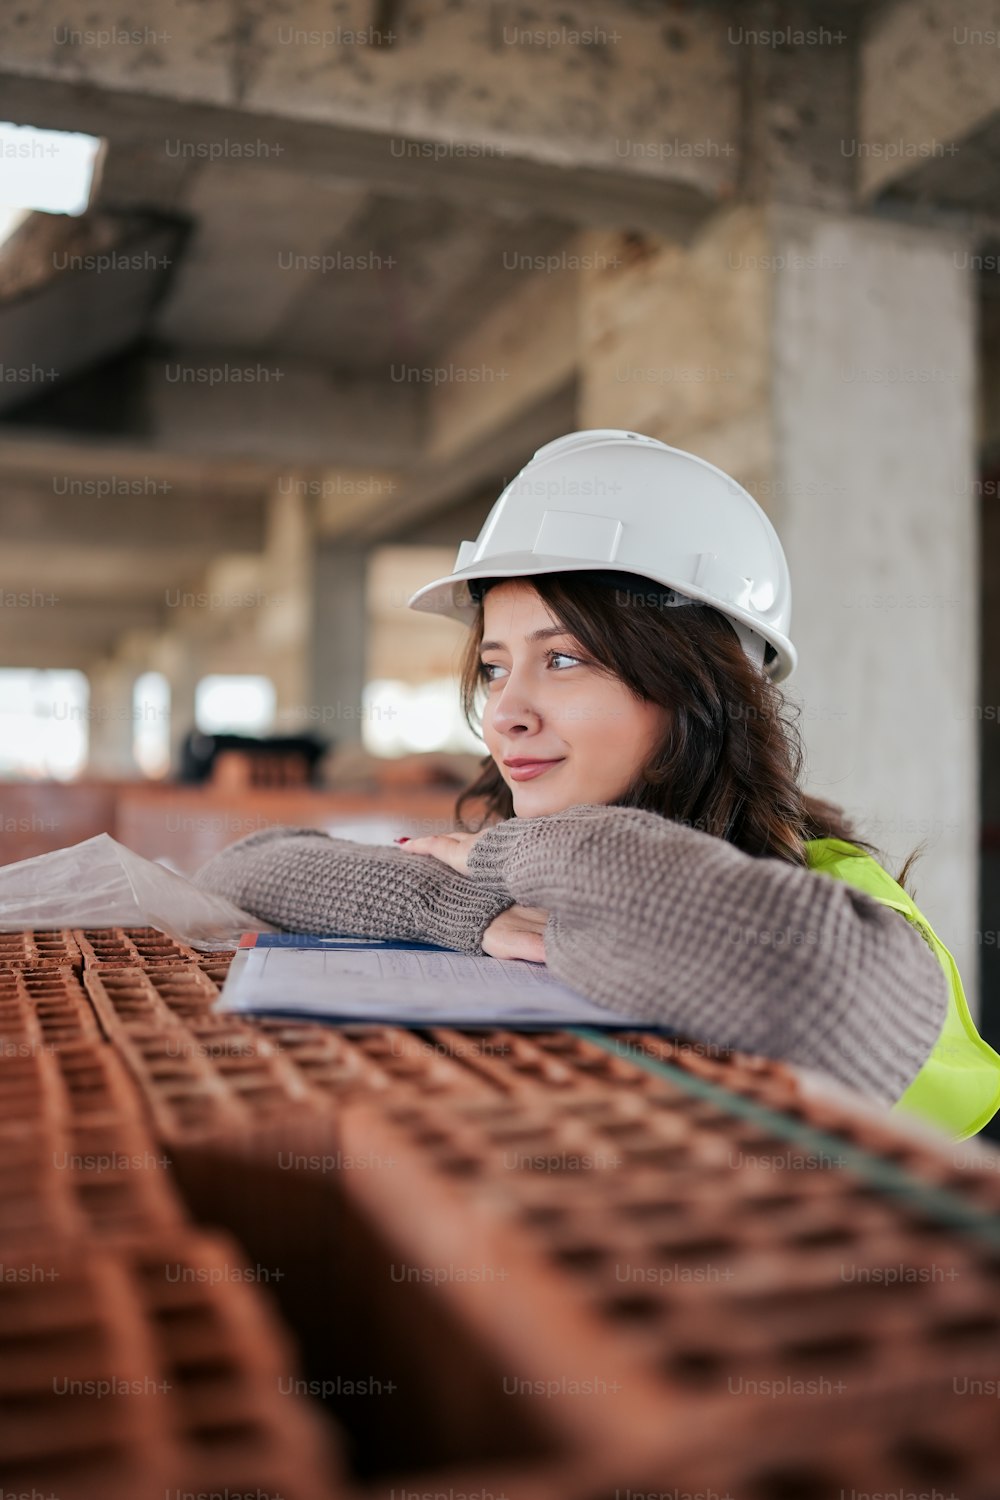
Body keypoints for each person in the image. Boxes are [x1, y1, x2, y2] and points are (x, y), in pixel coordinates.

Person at [193, 429, 1000, 1140]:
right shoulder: (508, 874)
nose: (504, 711)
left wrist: (512, 862)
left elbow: (826, 982)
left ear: (699, 689)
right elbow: (246, 865)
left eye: (566, 659)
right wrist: (456, 906)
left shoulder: (834, 898)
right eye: (494, 666)